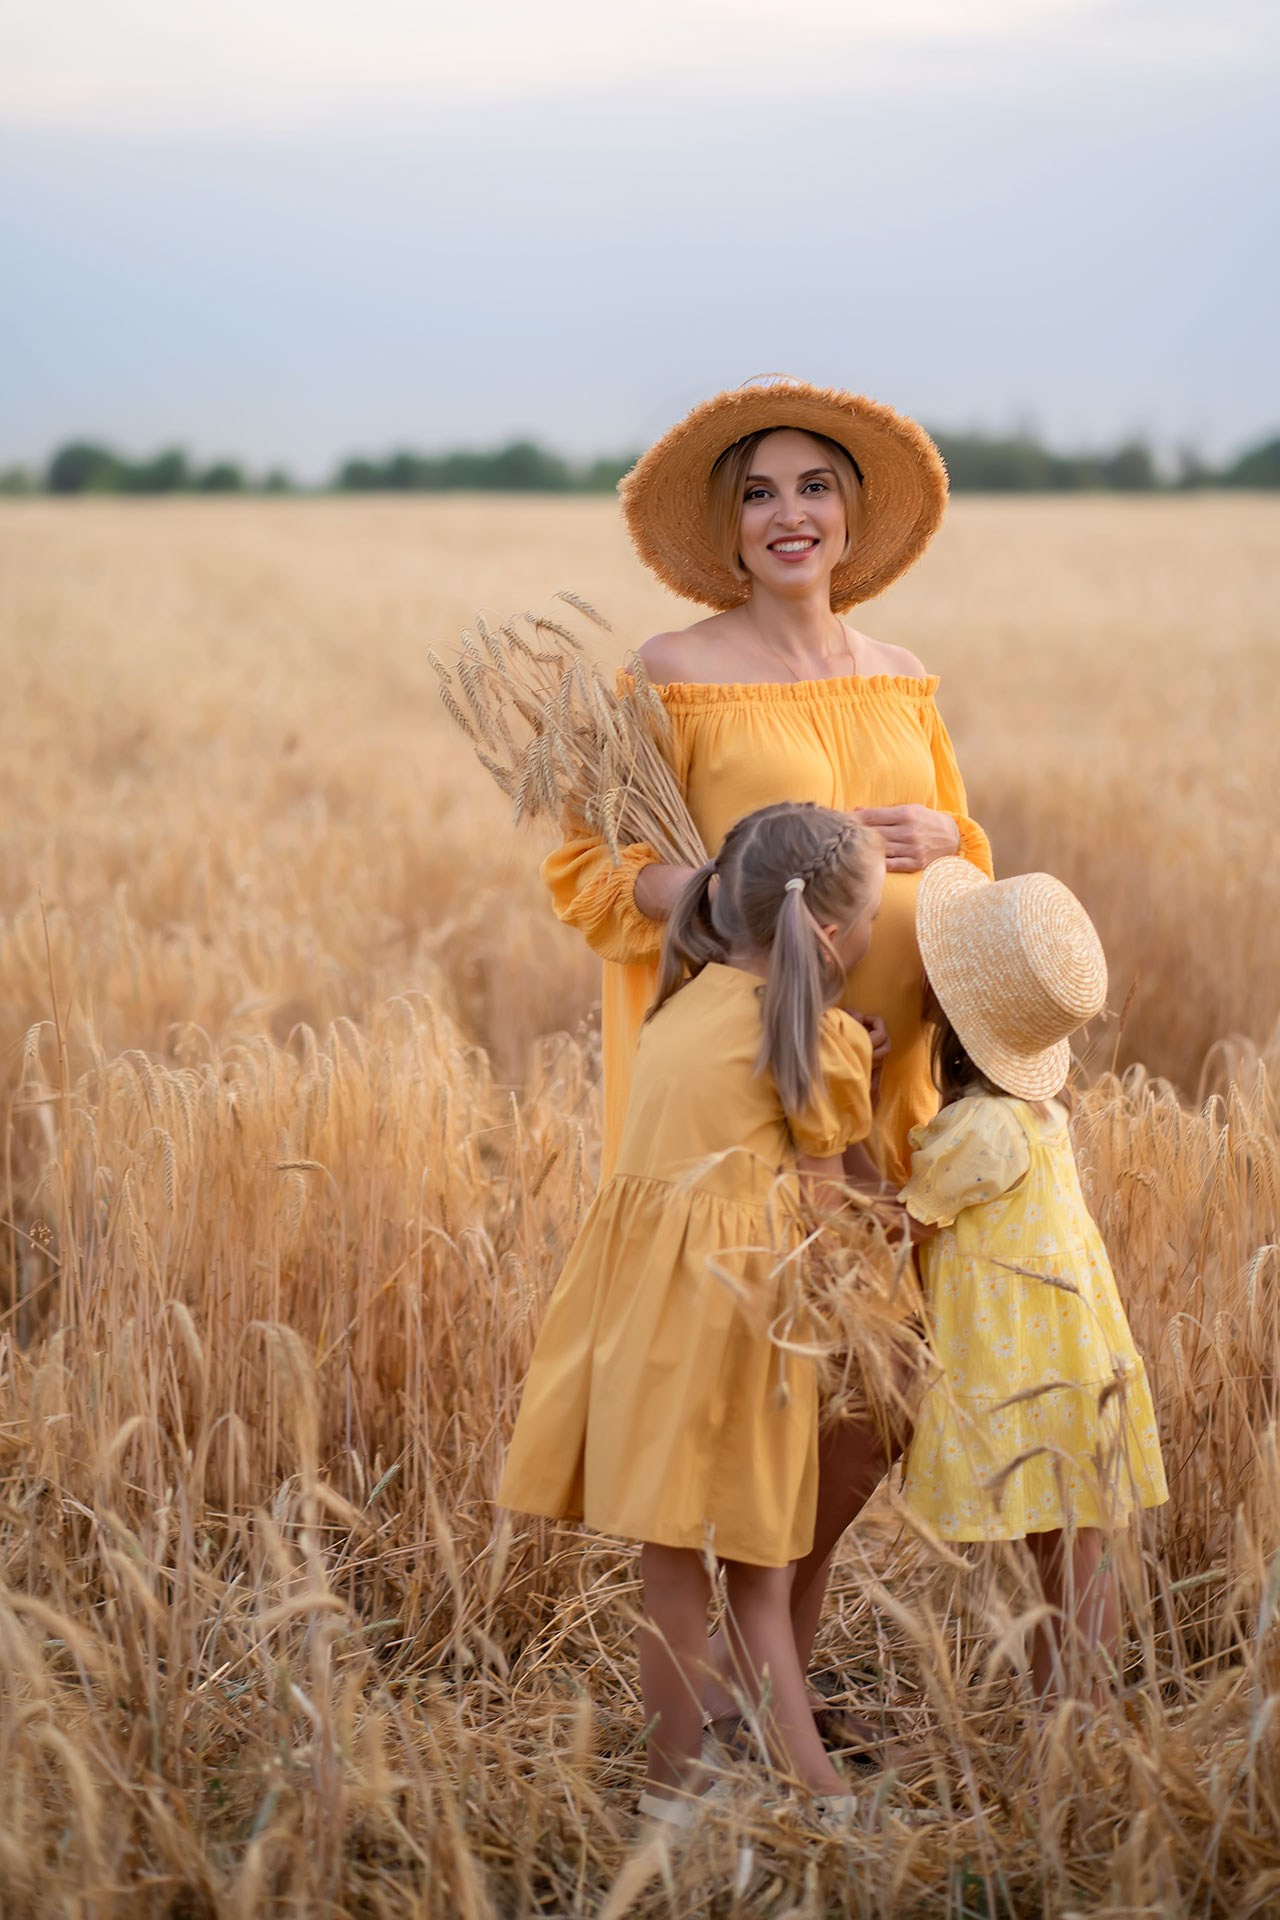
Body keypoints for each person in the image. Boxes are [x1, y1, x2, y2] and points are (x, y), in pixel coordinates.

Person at [541, 377, 994, 1738]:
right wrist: (723, 891)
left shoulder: (900, 675)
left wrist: (947, 839)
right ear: (729, 530)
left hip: (889, 1090)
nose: (787, 514)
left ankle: (773, 1671)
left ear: (848, 517)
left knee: (872, 1399)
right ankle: (755, 1712)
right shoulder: (673, 674)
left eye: (812, 488)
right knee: (759, 1394)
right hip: (754, 1098)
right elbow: (588, 869)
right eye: (757, 494)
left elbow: (972, 877)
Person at [499, 802, 886, 1821]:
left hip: (644, 1321)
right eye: (874, 919)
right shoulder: (816, 1040)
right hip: (745, 1325)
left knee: (669, 1565)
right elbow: (826, 1220)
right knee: (760, 1571)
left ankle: (672, 1796)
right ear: (832, 938)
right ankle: (819, 1799)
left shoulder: (674, 1010)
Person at [899, 859, 1169, 1702]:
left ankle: (1072, 1720)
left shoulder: (979, 1129)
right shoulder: (1040, 1114)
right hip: (1074, 1358)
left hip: (1024, 1371)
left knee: (1065, 1551)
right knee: (1077, 1547)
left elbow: (899, 1224)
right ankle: (1079, 1720)